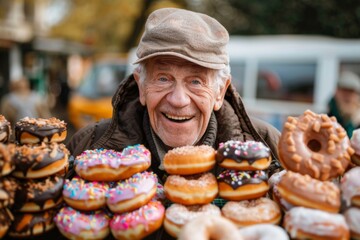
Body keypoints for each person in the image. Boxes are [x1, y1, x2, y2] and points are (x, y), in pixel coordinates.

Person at [66, 8, 281, 239]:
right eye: (163, 78)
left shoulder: (267, 146)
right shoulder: (88, 146)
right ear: (141, 86)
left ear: (220, 91)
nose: (179, 100)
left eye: (196, 81)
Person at [327, 70, 360, 138]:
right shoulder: (325, 119)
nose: (347, 96)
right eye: (344, 91)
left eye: (351, 92)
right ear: (336, 92)